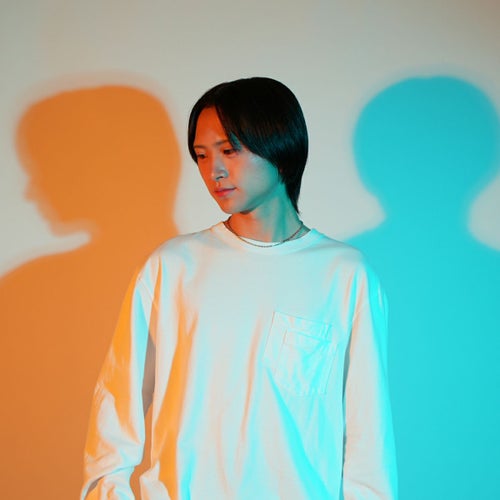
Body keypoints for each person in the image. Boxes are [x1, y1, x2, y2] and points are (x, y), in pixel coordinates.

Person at [81, 77, 398, 499]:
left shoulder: (343, 275)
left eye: (229, 150)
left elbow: (367, 431)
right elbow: (117, 401)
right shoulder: (173, 267)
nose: (214, 170)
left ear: (280, 146)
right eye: (201, 155)